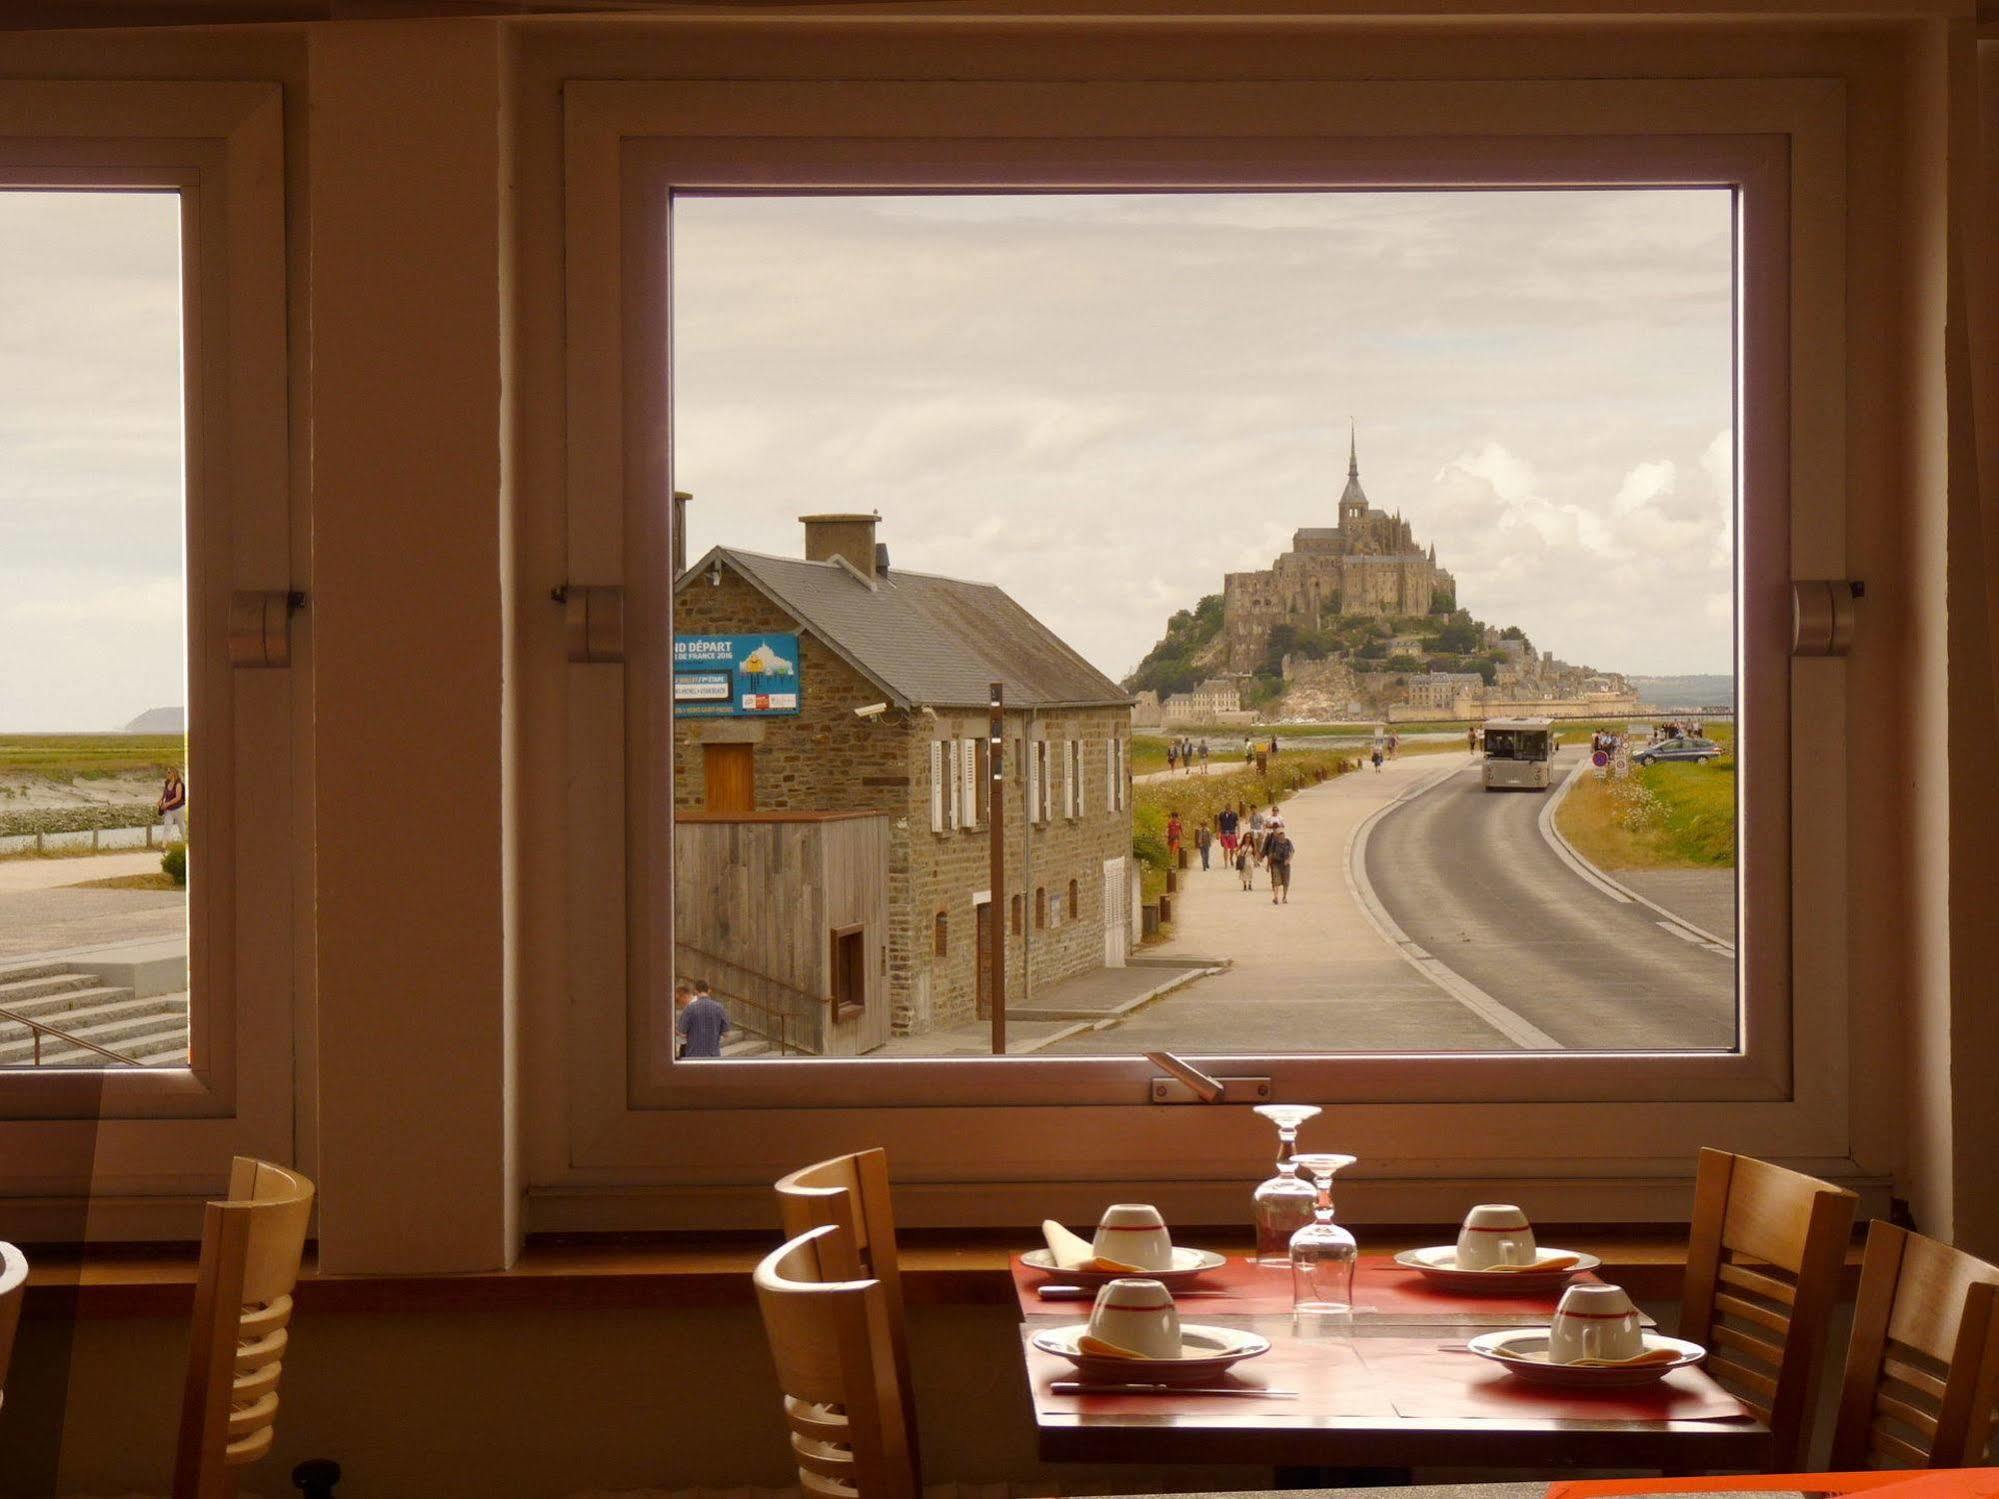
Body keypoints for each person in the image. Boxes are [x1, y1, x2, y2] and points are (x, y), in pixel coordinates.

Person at [676, 977, 731, 1059]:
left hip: (694, 1055)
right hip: (713, 1055)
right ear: (709, 991)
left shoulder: (689, 1009)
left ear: (696, 991)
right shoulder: (719, 1008)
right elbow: (726, 1034)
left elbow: (682, 1033)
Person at [157, 768, 187, 843]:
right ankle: (163, 846)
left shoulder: (178, 784)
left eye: (169, 772)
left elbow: (178, 798)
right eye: (167, 772)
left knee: (181, 827)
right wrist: (161, 799)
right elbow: (165, 793)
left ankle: (186, 843)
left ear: (173, 773)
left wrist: (167, 803)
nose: (167, 774)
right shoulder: (167, 782)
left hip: (179, 808)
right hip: (169, 809)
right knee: (167, 827)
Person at [1265, 828, 1294, 904]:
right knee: (1276, 881)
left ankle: (1284, 897)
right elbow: (1270, 854)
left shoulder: (1288, 842)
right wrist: (1268, 865)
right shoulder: (1274, 843)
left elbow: (1292, 851)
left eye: (1282, 834)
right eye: (1279, 834)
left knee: (1286, 882)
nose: (1281, 835)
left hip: (1285, 865)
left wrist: (1288, 860)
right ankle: (1275, 897)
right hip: (1276, 863)